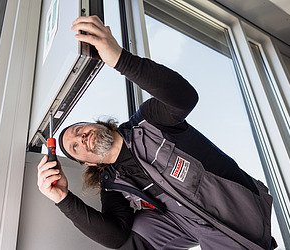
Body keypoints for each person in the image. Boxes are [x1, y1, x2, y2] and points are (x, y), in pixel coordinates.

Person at [37, 16, 277, 250]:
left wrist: (120, 59)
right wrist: (62, 198)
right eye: (75, 147)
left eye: (79, 130)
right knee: (133, 237)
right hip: (204, 231)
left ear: (98, 124)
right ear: (88, 164)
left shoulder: (148, 123)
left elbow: (184, 98)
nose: (81, 138)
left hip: (239, 208)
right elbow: (117, 239)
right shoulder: (112, 184)